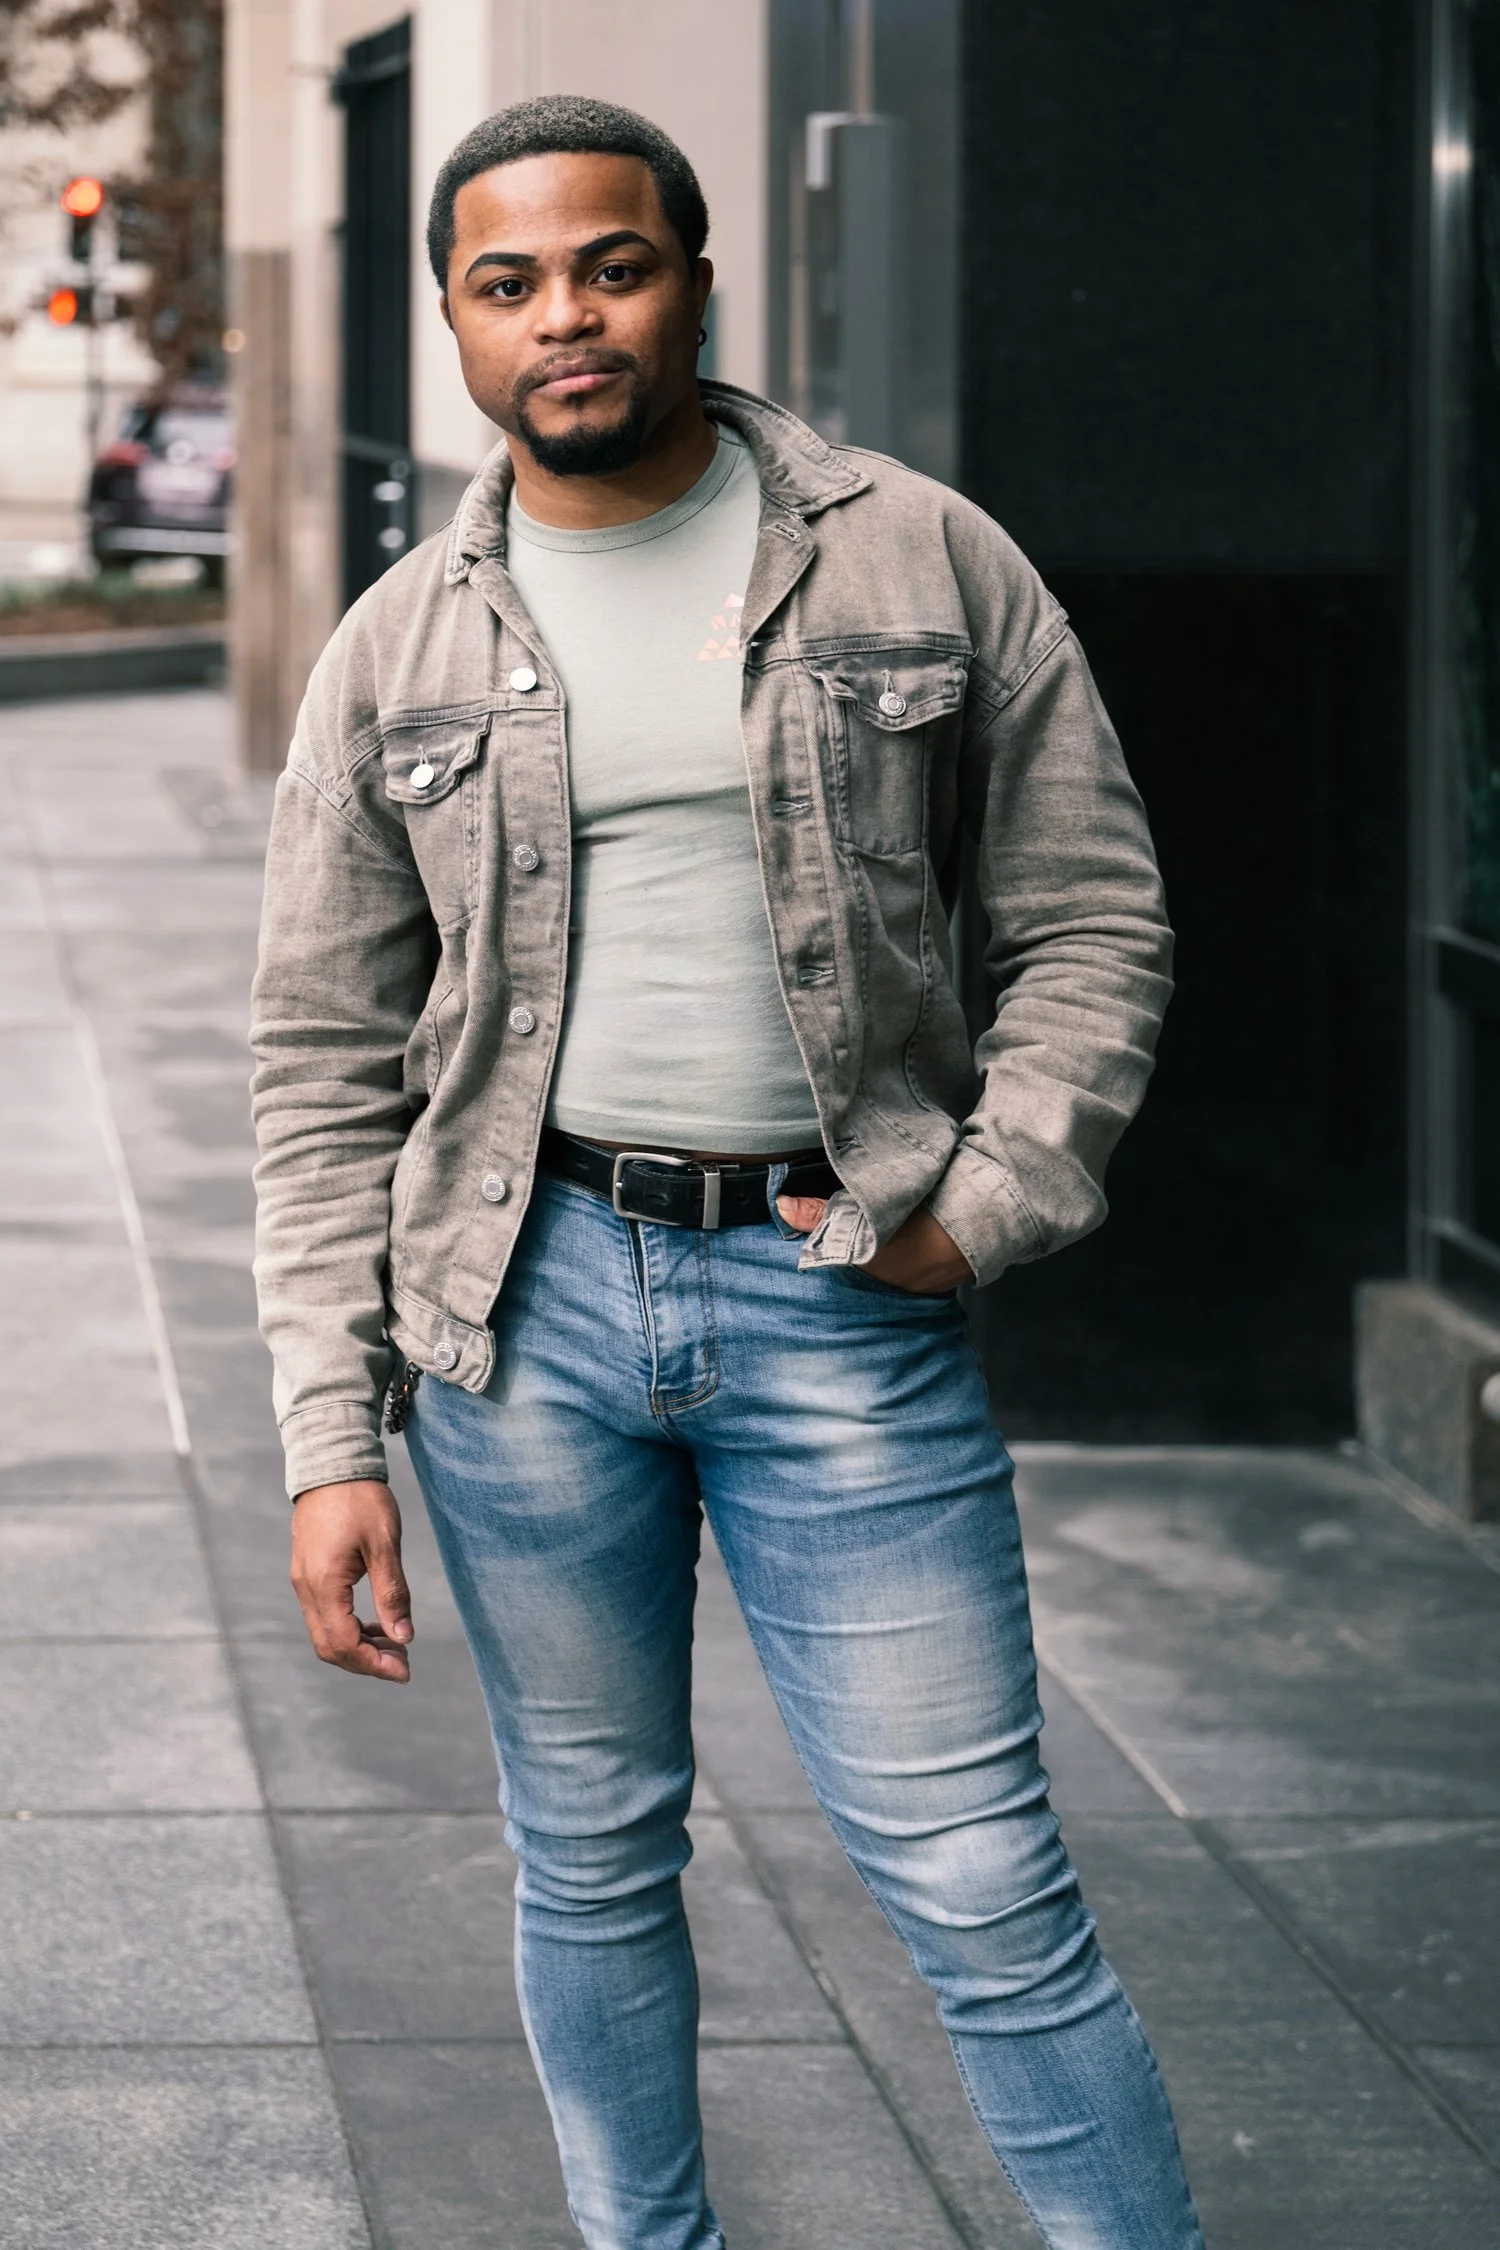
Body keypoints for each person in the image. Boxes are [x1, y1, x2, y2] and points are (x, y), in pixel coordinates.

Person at [251, 93, 1204, 2250]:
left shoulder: (918, 554)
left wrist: (989, 1200)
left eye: (610, 265)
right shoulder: (398, 641)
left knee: (982, 1880)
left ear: (694, 277)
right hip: (525, 1313)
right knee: (587, 1851)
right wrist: (333, 1433)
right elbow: (319, 1066)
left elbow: (1092, 922)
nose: (563, 318)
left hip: (839, 1290)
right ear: (454, 325)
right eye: (508, 285)